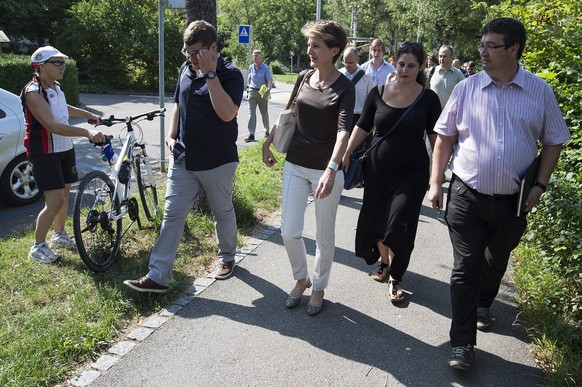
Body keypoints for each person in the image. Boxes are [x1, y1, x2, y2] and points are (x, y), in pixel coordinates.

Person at [427, 18, 571, 370]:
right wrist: (435, 182)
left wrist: (540, 185)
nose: (483, 52)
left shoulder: (539, 91)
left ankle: (484, 302)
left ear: (513, 49)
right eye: (482, 44)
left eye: (491, 46)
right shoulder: (467, 88)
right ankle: (462, 344)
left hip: (514, 200)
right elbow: (444, 138)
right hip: (466, 195)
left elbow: (554, 140)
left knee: (495, 261)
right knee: (465, 268)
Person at [124, 20, 244, 293]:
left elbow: (227, 113)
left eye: (196, 53)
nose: (190, 59)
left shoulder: (230, 74)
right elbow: (178, 101)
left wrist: (211, 74)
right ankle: (158, 276)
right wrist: (170, 134)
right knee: (172, 215)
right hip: (184, 157)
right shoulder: (186, 69)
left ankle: (227, 257)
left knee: (221, 210)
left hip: (218, 159)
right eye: (187, 53)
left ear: (212, 48)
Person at [262, 20, 355, 316]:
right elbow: (289, 113)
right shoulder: (303, 77)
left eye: (316, 45)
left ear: (333, 50)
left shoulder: (344, 86)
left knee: (324, 235)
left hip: (325, 170)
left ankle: (318, 287)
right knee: (289, 231)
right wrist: (267, 142)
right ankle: (301, 277)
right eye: (309, 44)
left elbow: (344, 132)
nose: (309, 50)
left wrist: (331, 169)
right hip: (295, 163)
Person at [342, 42, 441, 302]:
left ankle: (397, 275)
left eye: (412, 65)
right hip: (378, 170)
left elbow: (436, 138)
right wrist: (345, 153)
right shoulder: (378, 92)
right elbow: (362, 127)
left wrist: (436, 179)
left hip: (412, 172)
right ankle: (385, 263)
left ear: (421, 68)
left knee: (399, 222)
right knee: (378, 220)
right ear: (394, 62)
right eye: (401, 64)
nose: (405, 69)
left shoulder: (428, 98)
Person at [21, 46, 106, 264]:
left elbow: (62, 108)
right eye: (57, 63)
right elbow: (51, 124)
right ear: (41, 66)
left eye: (63, 62)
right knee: (55, 200)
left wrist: (87, 114)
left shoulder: (56, 87)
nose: (63, 66)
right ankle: (38, 246)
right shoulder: (33, 92)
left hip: (64, 148)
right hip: (45, 151)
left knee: (65, 195)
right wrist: (87, 132)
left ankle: (59, 234)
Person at [339, 47, 374, 131]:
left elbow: (371, 100)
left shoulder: (366, 77)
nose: (347, 65)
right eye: (345, 62)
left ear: (357, 59)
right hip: (342, 116)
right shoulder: (339, 75)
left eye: (350, 63)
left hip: (359, 118)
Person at [244, 49, 273, 142]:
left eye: (256, 56)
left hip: (262, 92)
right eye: (253, 55)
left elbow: (269, 81)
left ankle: (267, 131)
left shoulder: (265, 68)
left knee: (264, 113)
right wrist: (249, 89)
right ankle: (251, 134)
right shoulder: (251, 67)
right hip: (252, 91)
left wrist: (268, 91)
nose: (254, 57)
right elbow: (249, 78)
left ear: (261, 57)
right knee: (251, 113)